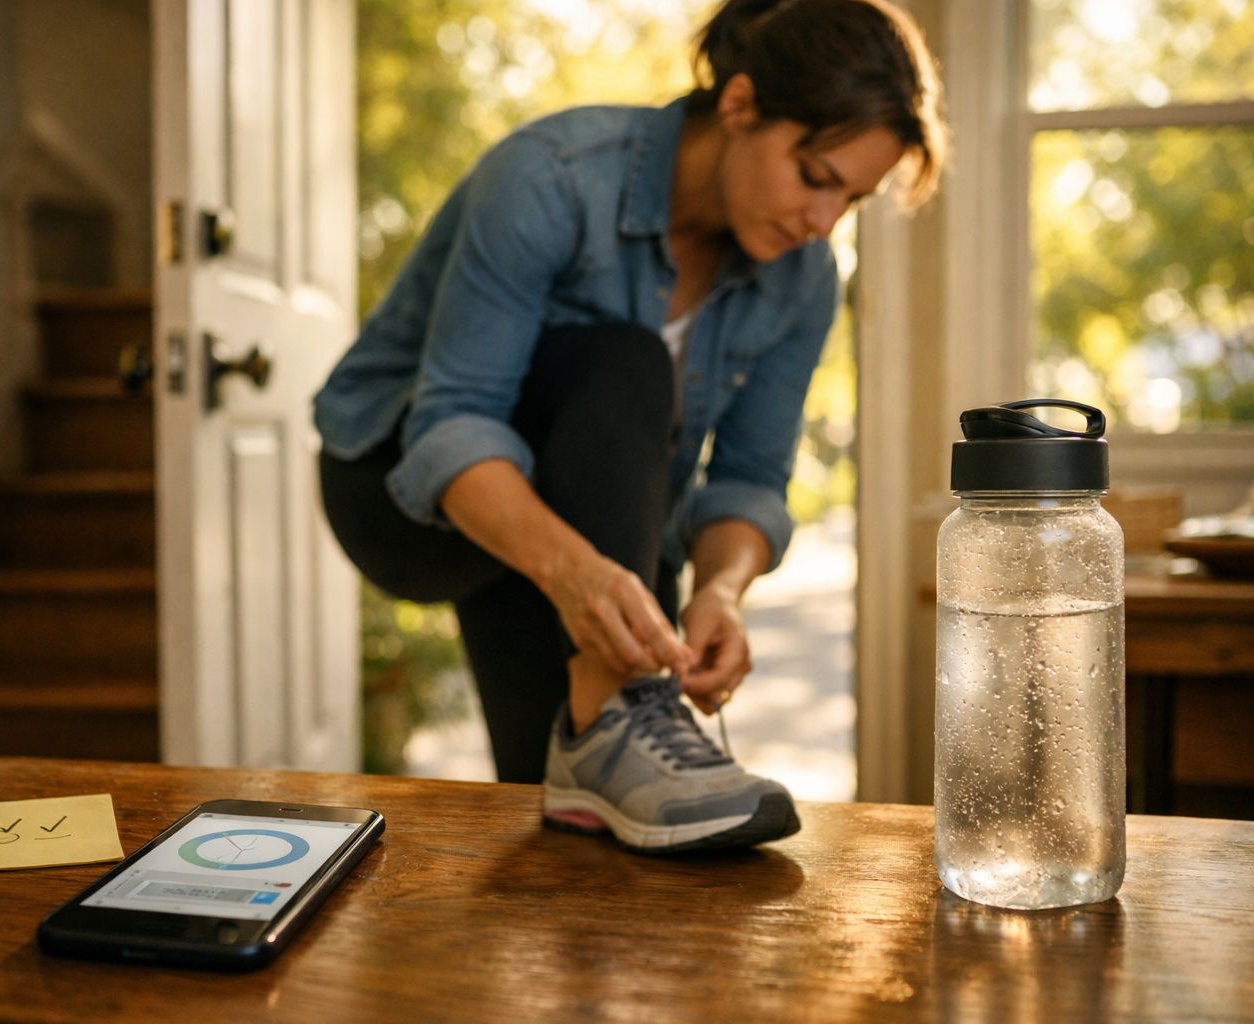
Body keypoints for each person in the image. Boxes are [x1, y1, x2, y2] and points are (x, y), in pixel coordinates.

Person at [315, 0, 946, 853]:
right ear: (738, 106)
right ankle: (614, 717)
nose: (822, 222)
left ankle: (599, 762)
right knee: (626, 362)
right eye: (816, 176)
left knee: (571, 813)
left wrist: (720, 590)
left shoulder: (802, 279)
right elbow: (453, 425)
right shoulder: (551, 179)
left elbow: (749, 480)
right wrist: (579, 577)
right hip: (398, 483)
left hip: (586, 511)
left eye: (854, 200)